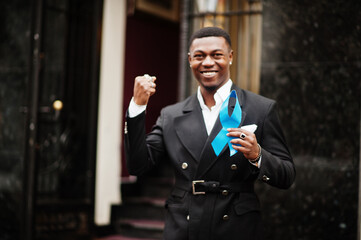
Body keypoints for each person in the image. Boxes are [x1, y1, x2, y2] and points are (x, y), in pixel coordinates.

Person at [124, 27, 295, 240]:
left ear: (230, 57)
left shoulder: (260, 109)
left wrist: (257, 155)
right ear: (189, 60)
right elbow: (138, 165)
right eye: (199, 56)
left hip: (235, 226)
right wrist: (137, 107)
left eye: (216, 55)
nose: (207, 62)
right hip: (183, 227)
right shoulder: (171, 115)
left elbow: (287, 176)